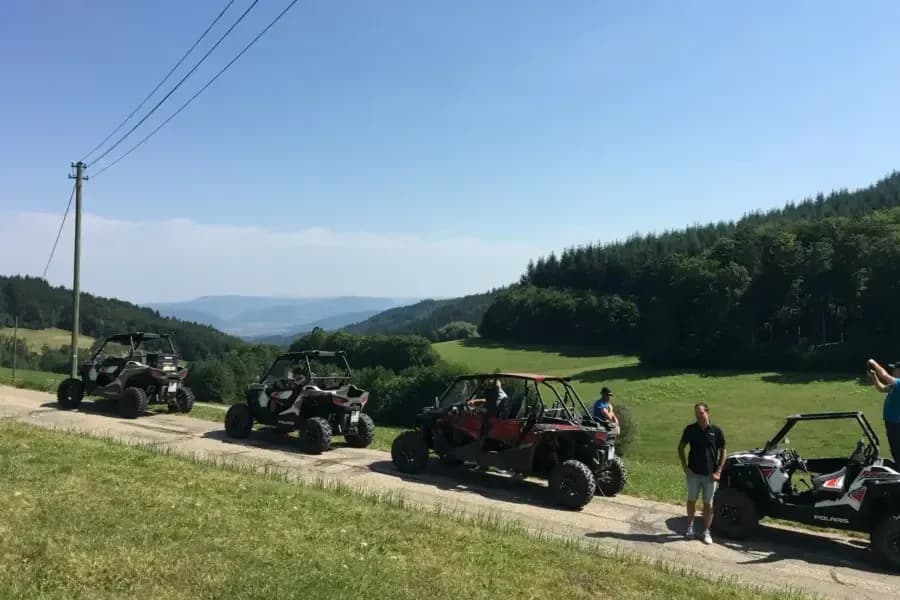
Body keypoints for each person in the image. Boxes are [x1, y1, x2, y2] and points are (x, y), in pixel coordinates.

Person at [677, 402, 726, 545]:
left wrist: (719, 470)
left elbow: (723, 450)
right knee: (691, 500)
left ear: (708, 413)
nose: (698, 415)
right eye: (696, 413)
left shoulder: (716, 431)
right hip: (694, 473)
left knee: (708, 504)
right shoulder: (690, 429)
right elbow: (680, 448)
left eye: (701, 413)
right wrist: (685, 467)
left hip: (710, 474)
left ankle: (706, 531)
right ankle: (690, 527)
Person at [867, 358, 900, 465]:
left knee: (897, 450)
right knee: (895, 449)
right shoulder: (895, 385)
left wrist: (873, 363)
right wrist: (874, 377)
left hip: (896, 423)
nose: (892, 371)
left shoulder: (898, 383)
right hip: (892, 422)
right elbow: (881, 388)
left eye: (894, 369)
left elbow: (884, 375)